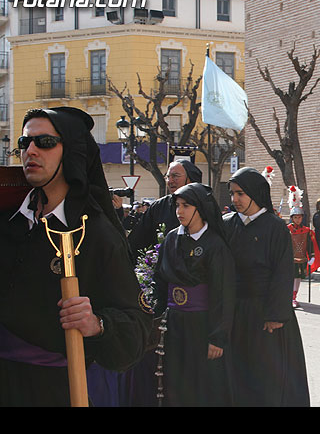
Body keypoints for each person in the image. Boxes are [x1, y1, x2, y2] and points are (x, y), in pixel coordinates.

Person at [0, 107, 152, 406]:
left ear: (70, 151)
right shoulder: (8, 221)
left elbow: (137, 329)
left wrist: (97, 323)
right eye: (24, 142)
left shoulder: (97, 235)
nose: (30, 150)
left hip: (52, 391)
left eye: (44, 142)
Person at [224, 167, 310, 406]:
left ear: (254, 193)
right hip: (235, 313)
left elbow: (283, 272)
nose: (235, 200)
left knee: (267, 378)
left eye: (240, 193)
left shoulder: (275, 227)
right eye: (232, 193)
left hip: (265, 316)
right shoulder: (227, 224)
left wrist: (275, 315)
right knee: (237, 373)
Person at [123, 158, 202, 406]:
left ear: (190, 179)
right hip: (162, 287)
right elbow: (135, 245)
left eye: (175, 176)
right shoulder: (158, 207)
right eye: (168, 176)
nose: (170, 181)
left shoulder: (205, 206)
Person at [152, 183, 235, 406]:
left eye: (186, 206)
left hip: (202, 324)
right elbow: (160, 280)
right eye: (177, 205)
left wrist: (217, 337)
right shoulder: (171, 238)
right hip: (173, 323)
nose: (179, 211)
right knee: (173, 381)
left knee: (200, 383)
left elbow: (223, 293)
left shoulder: (214, 244)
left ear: (200, 208)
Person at [287, 186, 320, 308]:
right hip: (290, 259)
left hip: (301, 259)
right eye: (295, 217)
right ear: (292, 218)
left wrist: (312, 256)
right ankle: (289, 297)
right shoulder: (287, 230)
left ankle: (294, 297)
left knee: (298, 278)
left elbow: (310, 244)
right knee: (290, 278)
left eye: (299, 217)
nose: (298, 219)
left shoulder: (307, 231)